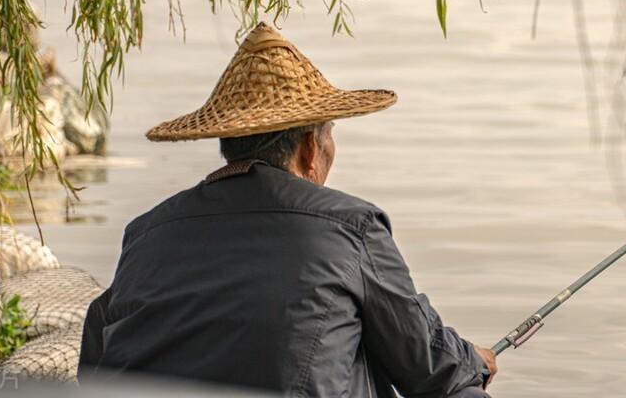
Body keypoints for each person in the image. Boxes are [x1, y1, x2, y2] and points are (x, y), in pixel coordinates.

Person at [77, 23, 497, 397]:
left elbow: (94, 360)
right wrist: (474, 362)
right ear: (311, 147)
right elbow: (426, 366)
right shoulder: (352, 229)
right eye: (330, 133)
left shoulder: (145, 233)